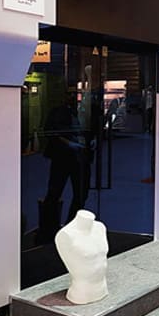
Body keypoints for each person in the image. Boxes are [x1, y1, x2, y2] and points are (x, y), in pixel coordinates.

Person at [37, 92, 93, 244]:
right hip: (63, 157)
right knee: (55, 192)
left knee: (80, 194)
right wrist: (69, 144)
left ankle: (70, 228)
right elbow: (51, 131)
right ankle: (48, 230)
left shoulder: (85, 111)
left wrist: (89, 142)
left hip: (80, 157)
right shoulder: (59, 112)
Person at [55, 210, 109, 304]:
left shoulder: (100, 227)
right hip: (82, 293)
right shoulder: (66, 235)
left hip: (103, 288)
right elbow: (69, 265)